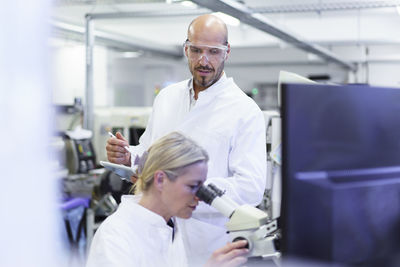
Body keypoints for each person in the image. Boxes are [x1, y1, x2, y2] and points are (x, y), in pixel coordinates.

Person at [106, 14, 267, 265]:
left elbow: (251, 187)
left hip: (206, 238)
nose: (203, 60)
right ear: (185, 49)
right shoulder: (167, 97)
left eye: (213, 52)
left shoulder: (245, 111)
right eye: (196, 50)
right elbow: (151, 153)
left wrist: (188, 189)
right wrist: (129, 156)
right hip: (155, 227)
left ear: (227, 52)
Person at [87, 132, 249, 267]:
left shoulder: (170, 227)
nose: (199, 197)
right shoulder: (116, 237)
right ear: (160, 180)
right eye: (193, 186)